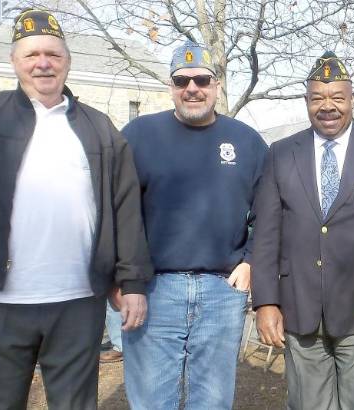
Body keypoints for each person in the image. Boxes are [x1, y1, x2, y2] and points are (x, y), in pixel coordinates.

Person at [0, 10, 152, 409]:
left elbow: (126, 211)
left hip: (78, 302)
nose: (43, 63)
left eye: (53, 54)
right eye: (32, 55)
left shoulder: (100, 129)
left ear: (68, 61)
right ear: (14, 61)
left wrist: (132, 282)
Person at [252, 51, 354, 410]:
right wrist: (266, 301)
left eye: (337, 98)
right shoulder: (281, 152)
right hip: (300, 311)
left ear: (353, 99)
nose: (327, 107)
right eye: (318, 98)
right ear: (307, 101)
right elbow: (266, 234)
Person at [121, 40, 267, 410]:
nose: (192, 88)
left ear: (216, 84)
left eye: (202, 79)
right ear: (170, 87)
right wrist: (123, 279)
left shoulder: (247, 142)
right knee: (153, 401)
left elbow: (269, 213)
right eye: (181, 80)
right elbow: (118, 212)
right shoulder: (138, 136)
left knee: (212, 403)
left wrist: (250, 262)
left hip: (221, 292)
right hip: (153, 292)